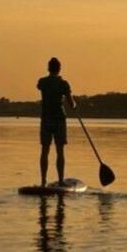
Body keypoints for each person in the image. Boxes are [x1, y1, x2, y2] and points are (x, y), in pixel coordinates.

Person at [37, 57, 76, 187]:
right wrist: (74, 105)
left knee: (45, 150)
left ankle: (43, 181)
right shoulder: (64, 84)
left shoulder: (42, 82)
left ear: (48, 68)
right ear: (59, 69)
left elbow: (41, 87)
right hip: (59, 119)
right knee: (60, 151)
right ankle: (60, 180)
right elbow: (71, 104)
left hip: (46, 119)